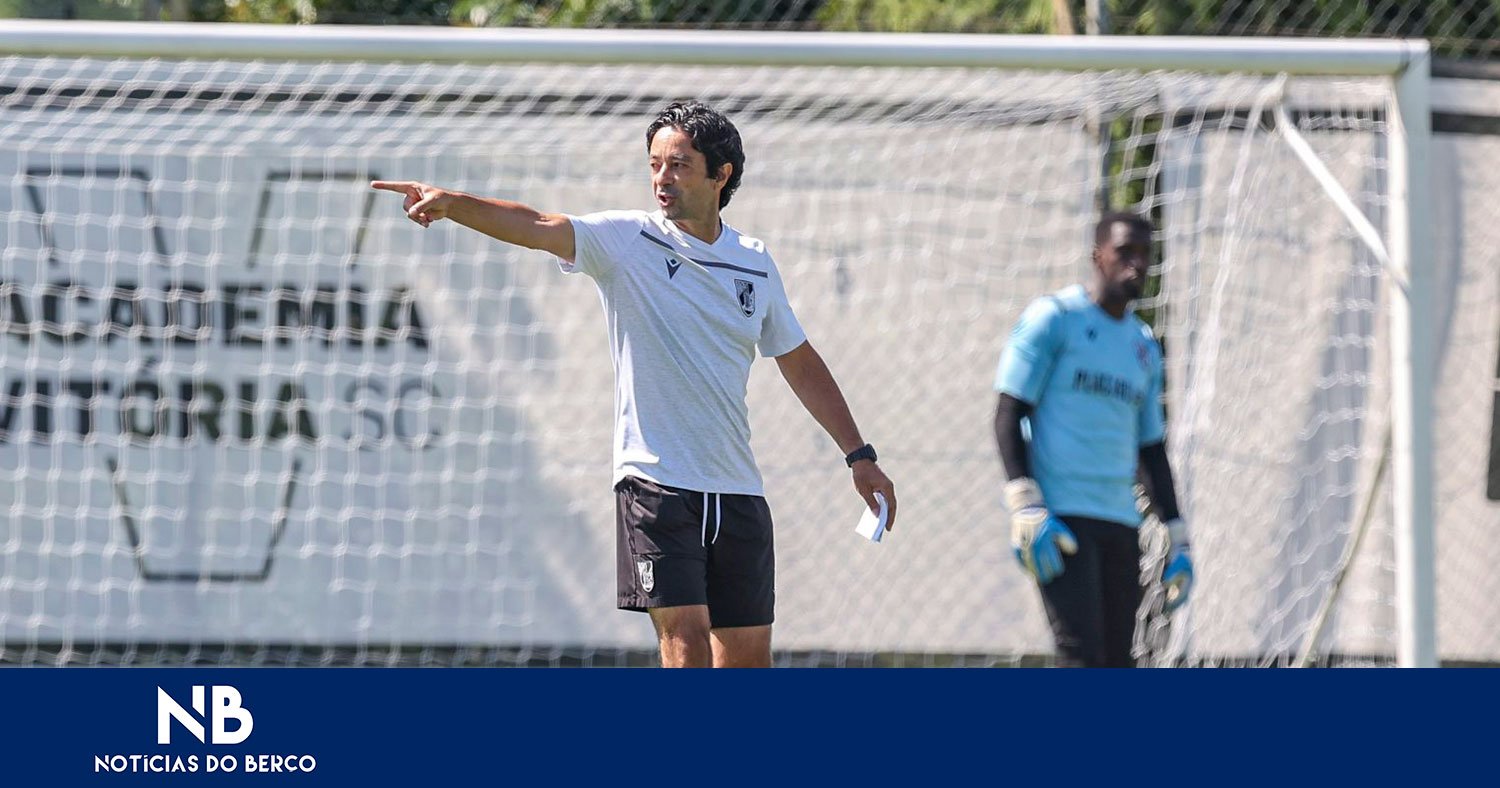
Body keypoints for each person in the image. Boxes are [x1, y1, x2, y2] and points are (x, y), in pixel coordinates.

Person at [372, 100, 896, 668]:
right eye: (654, 165)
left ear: (722, 175)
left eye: (678, 165)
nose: (661, 179)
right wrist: (452, 204)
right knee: (686, 642)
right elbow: (538, 225)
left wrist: (858, 455)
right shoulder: (627, 240)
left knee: (746, 661)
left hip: (738, 489)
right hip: (656, 484)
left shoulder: (754, 262)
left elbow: (798, 360)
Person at [992, 211, 1193, 668]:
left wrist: (1179, 537)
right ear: (1097, 256)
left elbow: (1150, 450)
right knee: (1080, 656)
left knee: (1118, 661)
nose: (1137, 264)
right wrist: (1026, 504)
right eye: (1125, 252)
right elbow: (1008, 414)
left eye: (1146, 254)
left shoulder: (1143, 345)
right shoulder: (1055, 319)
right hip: (1062, 522)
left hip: (1122, 523)